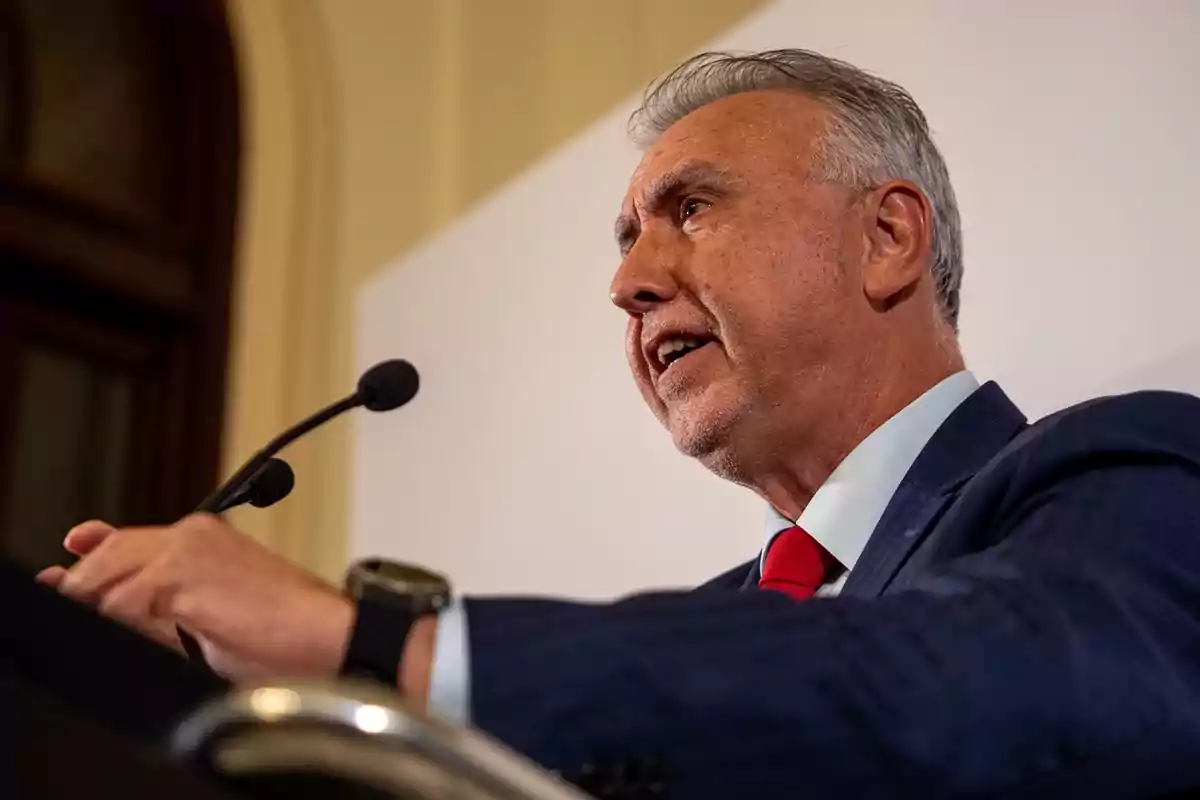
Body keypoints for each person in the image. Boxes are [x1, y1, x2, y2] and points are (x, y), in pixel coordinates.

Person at [37, 49, 1200, 797]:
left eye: (691, 209)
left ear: (888, 239)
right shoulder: (710, 629)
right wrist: (212, 711)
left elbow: (980, 687)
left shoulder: (1127, 470)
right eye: (628, 237)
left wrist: (383, 645)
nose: (629, 282)